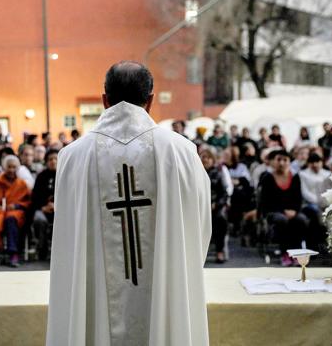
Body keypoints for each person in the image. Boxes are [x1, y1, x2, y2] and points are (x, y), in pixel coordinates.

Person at [47, 61, 211, 346]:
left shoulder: (73, 157)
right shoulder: (181, 152)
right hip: (164, 292)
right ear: (150, 101)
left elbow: (66, 240)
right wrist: (175, 267)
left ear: (104, 100)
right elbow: (199, 228)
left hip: (94, 293)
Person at [259, 149, 309, 266]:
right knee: (282, 220)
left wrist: (295, 211)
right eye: (278, 160)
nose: (281, 163)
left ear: (289, 162)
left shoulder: (295, 177)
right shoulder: (268, 178)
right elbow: (266, 201)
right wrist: (283, 210)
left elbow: (298, 198)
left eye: (285, 160)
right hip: (273, 211)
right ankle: (285, 253)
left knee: (301, 220)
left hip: (293, 210)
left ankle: (296, 253)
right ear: (274, 162)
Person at [0, 155, 31, 268]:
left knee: (11, 219)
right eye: (9, 167)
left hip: (14, 212)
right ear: (4, 168)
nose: (11, 170)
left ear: (18, 168)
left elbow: (27, 202)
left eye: (14, 167)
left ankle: (13, 253)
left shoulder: (22, 184)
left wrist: (17, 206)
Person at [201, 148, 228, 263]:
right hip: (198, 208)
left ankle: (219, 251)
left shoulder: (218, 174)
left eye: (208, 157)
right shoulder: (195, 173)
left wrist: (216, 204)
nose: (205, 160)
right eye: (203, 157)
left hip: (214, 207)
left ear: (212, 160)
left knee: (220, 219)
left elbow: (224, 194)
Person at [32, 149, 58, 260]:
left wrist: (57, 206)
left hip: (61, 210)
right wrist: (43, 207)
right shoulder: (41, 176)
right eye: (50, 159)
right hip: (42, 209)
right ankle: (42, 249)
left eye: (56, 159)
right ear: (46, 161)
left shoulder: (65, 175)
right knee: (39, 220)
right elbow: (35, 197)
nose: (53, 161)